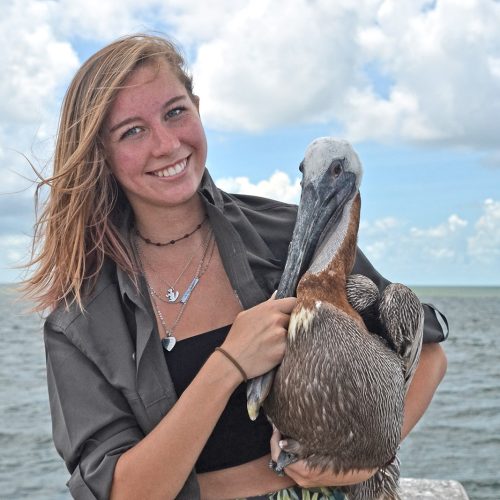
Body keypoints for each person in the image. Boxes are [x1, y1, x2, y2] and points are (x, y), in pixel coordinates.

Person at [24, 34, 448, 500]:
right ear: (100, 153)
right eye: (133, 131)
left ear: (198, 109)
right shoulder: (81, 319)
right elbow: (122, 493)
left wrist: (359, 460)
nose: (167, 144)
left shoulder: (295, 234)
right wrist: (228, 364)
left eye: (175, 112)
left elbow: (425, 356)